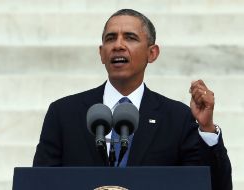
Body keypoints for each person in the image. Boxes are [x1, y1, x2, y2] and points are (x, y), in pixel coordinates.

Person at [33, 9, 232, 190]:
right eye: (111, 38)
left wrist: (207, 129)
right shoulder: (63, 113)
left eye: (130, 38)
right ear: (101, 54)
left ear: (152, 53)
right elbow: (40, 183)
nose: (118, 45)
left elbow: (212, 186)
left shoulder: (177, 118)